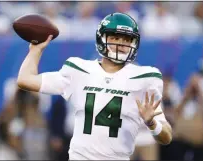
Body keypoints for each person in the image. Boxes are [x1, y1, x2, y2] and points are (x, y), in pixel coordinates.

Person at [17, 12, 172, 160]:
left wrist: (152, 124)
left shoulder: (145, 78)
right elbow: (25, 80)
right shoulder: (79, 70)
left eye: (127, 40)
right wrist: (36, 50)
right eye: (115, 38)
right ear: (101, 38)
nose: (121, 44)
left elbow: (167, 137)